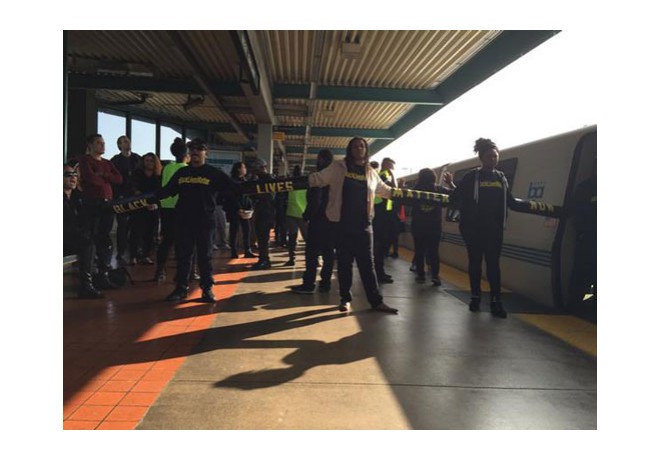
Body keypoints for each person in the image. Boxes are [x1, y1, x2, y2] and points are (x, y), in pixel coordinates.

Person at [307, 137, 398, 314]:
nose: (359, 148)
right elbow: (318, 178)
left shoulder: (371, 172)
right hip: (341, 225)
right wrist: (290, 182)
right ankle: (345, 299)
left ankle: (376, 301)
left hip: (364, 225)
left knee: (367, 265)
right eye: (355, 146)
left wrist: (408, 194)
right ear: (350, 149)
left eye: (362, 146)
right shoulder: (338, 167)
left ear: (366, 150)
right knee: (344, 263)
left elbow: (385, 191)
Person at [446, 137, 535, 319]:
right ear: (481, 158)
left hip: (494, 230)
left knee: (494, 266)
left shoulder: (500, 178)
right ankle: (475, 298)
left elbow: (510, 201)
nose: (493, 160)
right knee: (476, 263)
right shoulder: (472, 176)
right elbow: (455, 198)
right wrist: (453, 188)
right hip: (473, 230)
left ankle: (496, 303)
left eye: (495, 156)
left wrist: (534, 206)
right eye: (489, 156)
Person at [155, 138, 238, 302]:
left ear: (205, 153)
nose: (195, 152)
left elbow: (233, 188)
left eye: (199, 149)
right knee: (183, 256)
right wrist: (149, 200)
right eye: (192, 149)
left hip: (205, 222)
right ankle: (181, 289)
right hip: (183, 221)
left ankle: (207, 289)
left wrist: (243, 205)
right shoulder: (182, 173)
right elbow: (167, 191)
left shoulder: (213, 173)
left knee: (204, 257)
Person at [78, 133, 123, 289]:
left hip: (107, 203)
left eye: (103, 143)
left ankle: (103, 274)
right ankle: (87, 279)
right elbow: (91, 179)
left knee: (105, 238)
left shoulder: (107, 163)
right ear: (90, 145)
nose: (102, 145)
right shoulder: (85, 160)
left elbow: (118, 179)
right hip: (92, 203)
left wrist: (103, 174)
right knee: (90, 239)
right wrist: (105, 178)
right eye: (98, 143)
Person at [291, 149, 336, 294]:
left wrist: (307, 215)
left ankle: (308, 284)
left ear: (321, 159)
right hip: (332, 221)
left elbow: (315, 200)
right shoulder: (335, 176)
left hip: (318, 220)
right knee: (328, 253)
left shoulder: (319, 176)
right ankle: (325, 283)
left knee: (312, 253)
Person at [64, 164, 103, 299]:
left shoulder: (78, 196)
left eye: (75, 175)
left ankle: (101, 277)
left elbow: (85, 218)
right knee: (87, 243)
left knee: (97, 240)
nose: (73, 178)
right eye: (68, 175)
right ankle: (86, 285)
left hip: (73, 237)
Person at [154, 138, 189, 281]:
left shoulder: (167, 167)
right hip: (181, 207)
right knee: (184, 241)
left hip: (166, 207)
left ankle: (160, 270)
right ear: (186, 155)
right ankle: (184, 273)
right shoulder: (185, 169)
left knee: (166, 240)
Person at [410, 168, 451, 286]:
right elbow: (455, 194)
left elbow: (403, 198)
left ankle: (421, 275)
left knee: (419, 251)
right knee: (434, 251)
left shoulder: (415, 190)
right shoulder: (439, 189)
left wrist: (401, 187)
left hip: (418, 225)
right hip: (434, 226)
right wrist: (450, 183)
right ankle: (435, 276)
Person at [567, 158, 597, 311]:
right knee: (582, 272)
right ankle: (574, 306)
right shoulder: (585, 188)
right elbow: (576, 211)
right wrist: (582, 232)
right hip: (588, 239)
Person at [110, 136, 141, 266]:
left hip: (135, 196)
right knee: (122, 226)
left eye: (128, 141)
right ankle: (121, 252)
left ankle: (134, 252)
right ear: (119, 145)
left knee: (136, 225)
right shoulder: (115, 160)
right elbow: (113, 179)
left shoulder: (137, 159)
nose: (127, 143)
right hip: (121, 197)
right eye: (124, 142)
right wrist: (118, 195)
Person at [129, 152, 162, 265]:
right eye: (146, 160)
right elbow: (134, 189)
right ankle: (133, 255)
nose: (149, 163)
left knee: (150, 232)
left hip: (153, 207)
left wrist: (154, 203)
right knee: (136, 231)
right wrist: (144, 202)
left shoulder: (158, 176)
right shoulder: (137, 173)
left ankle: (146, 255)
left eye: (151, 160)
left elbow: (159, 192)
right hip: (138, 206)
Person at [373, 157, 398, 283]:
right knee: (380, 247)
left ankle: (379, 272)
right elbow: (394, 190)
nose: (393, 169)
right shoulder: (383, 176)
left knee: (381, 247)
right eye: (392, 166)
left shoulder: (380, 175)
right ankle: (379, 273)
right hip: (381, 217)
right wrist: (393, 175)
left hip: (382, 215)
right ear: (386, 165)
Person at [249, 158, 276, 270]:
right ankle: (263, 259)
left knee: (263, 237)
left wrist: (255, 195)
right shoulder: (262, 179)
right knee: (261, 237)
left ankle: (264, 260)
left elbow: (268, 196)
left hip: (266, 212)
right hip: (263, 211)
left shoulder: (268, 180)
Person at [225, 161, 255, 259]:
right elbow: (231, 196)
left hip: (246, 210)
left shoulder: (245, 180)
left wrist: (250, 207)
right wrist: (238, 208)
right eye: (244, 167)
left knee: (247, 230)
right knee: (234, 230)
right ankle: (233, 250)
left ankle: (247, 250)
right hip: (235, 210)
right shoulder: (232, 181)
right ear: (239, 169)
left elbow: (247, 196)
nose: (245, 169)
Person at [284, 165, 308, 266]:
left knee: (292, 237)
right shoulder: (306, 183)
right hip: (303, 213)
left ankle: (291, 259)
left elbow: (284, 196)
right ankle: (311, 259)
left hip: (291, 212)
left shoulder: (289, 183)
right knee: (307, 238)